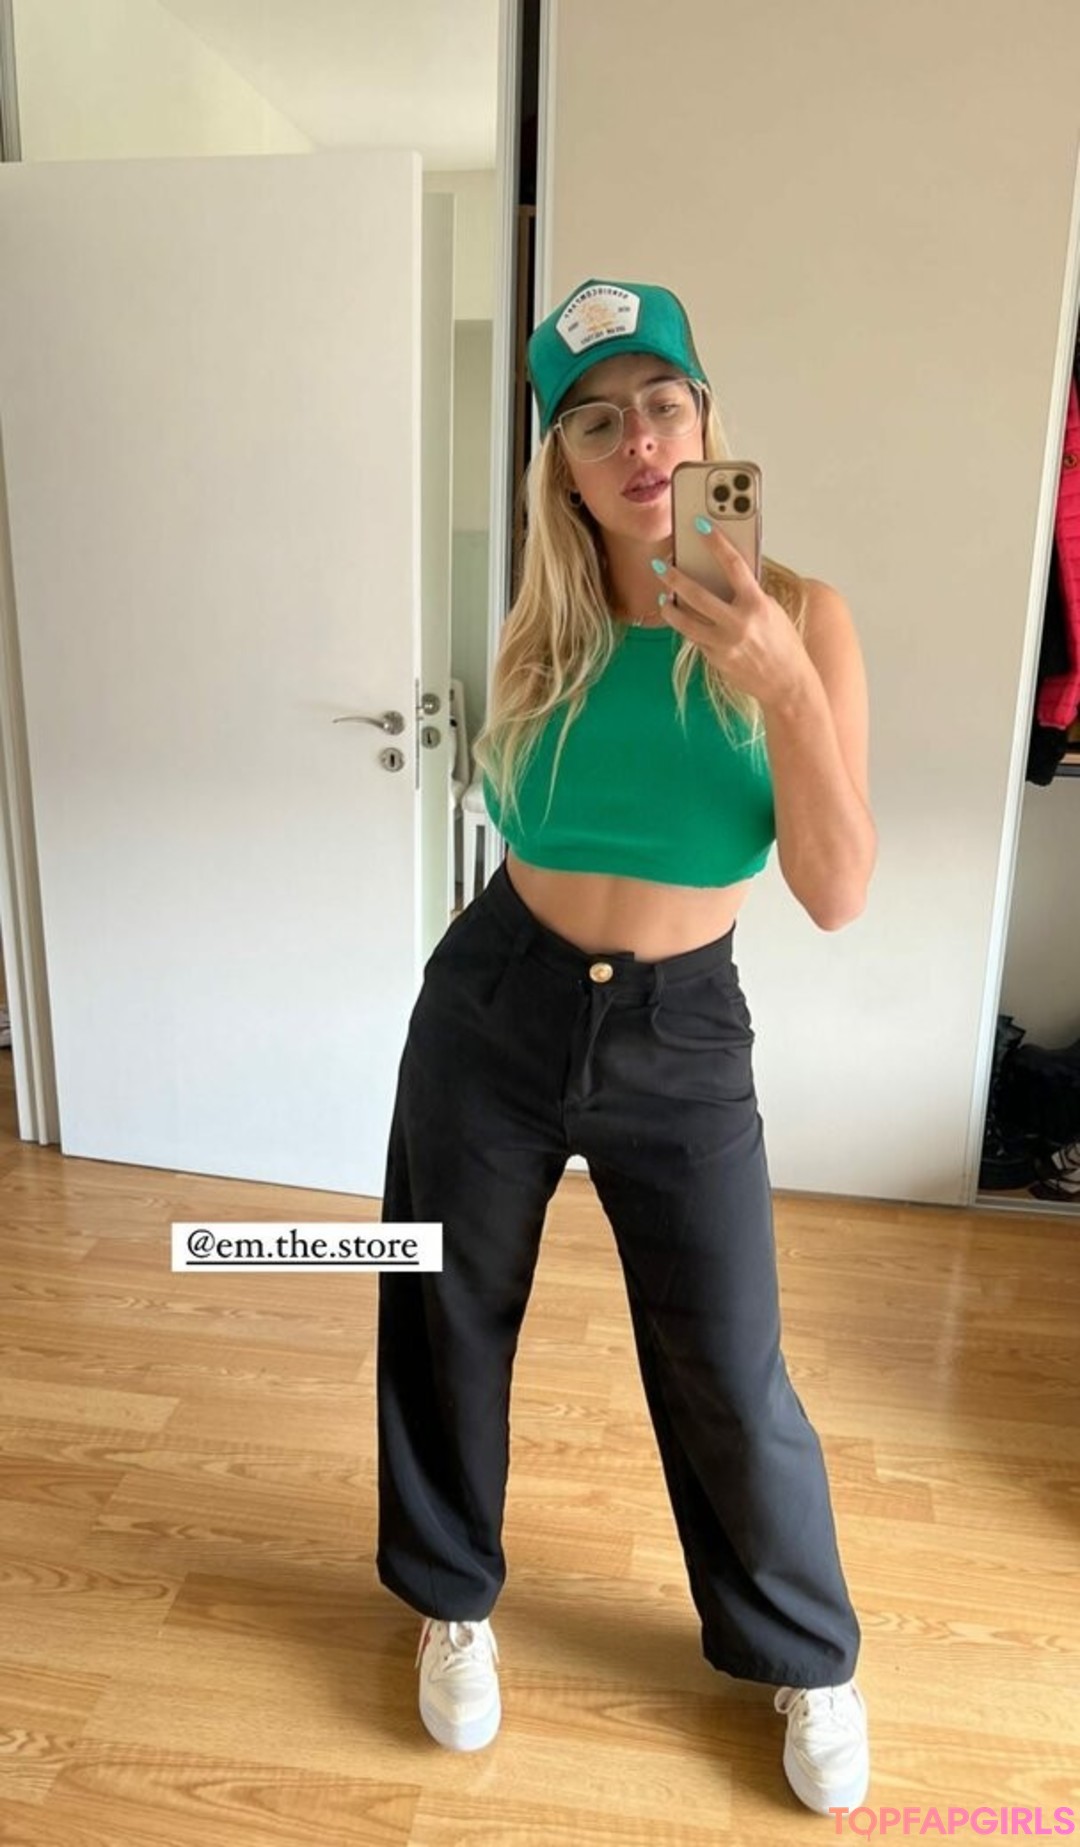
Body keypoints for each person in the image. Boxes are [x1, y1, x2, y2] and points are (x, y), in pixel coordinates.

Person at [376, 277, 877, 1814]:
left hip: (681, 1027)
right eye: (594, 420)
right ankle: (450, 1597)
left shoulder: (805, 617)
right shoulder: (543, 624)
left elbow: (838, 892)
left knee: (729, 1361)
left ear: (708, 421)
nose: (638, 439)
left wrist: (783, 690)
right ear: (565, 467)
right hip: (495, 1002)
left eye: (663, 403)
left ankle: (806, 1654)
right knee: (444, 1310)